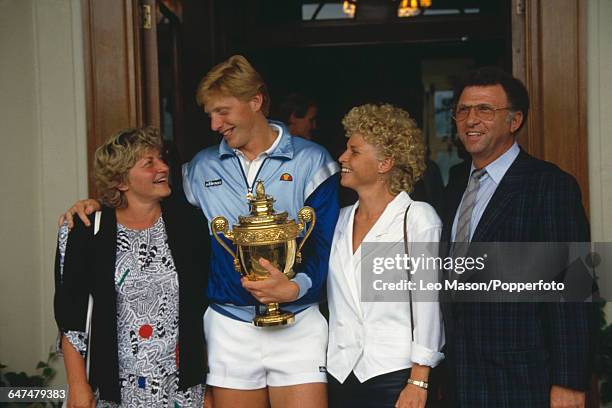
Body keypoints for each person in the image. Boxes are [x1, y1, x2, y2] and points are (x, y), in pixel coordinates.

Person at [60, 55, 340, 408]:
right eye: (209, 114)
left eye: (222, 112)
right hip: (228, 325)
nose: (214, 124)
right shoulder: (197, 169)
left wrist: (295, 286)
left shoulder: (313, 161)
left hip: (298, 320)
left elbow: (325, 244)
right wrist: (96, 206)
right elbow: (143, 199)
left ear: (255, 101)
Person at [441, 66, 592, 407]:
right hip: (459, 376)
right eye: (463, 110)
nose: (471, 120)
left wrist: (569, 382)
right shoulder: (454, 184)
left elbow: (574, 289)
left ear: (514, 120)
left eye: (485, 110)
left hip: (523, 377)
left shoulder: (549, 186)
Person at [54, 127, 209, 407]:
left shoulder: (190, 224)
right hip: (113, 389)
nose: (163, 167)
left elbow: (204, 307)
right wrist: (78, 386)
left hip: (181, 391)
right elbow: (71, 319)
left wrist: (207, 389)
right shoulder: (85, 230)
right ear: (121, 180)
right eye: (149, 163)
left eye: (161, 159)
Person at [326, 103, 445, 408]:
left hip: (395, 375)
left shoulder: (416, 218)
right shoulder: (338, 220)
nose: (342, 158)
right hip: (340, 374)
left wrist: (418, 380)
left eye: (354, 151)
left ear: (385, 163)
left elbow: (427, 305)